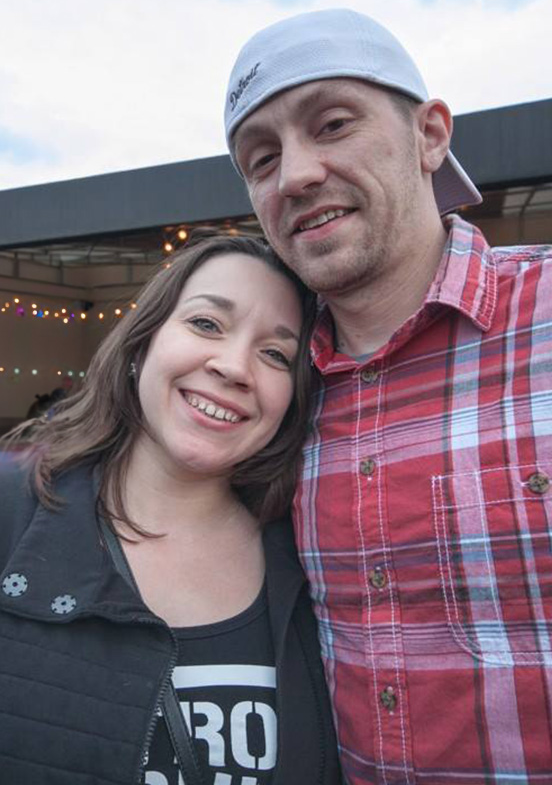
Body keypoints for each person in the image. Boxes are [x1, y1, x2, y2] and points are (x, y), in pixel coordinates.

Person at [224, 8, 552, 785]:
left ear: (430, 135)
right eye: (261, 160)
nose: (293, 174)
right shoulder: (267, 399)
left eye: (331, 124)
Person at [0, 235, 341, 785]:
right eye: (207, 324)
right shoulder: (10, 506)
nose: (233, 367)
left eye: (276, 353)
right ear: (143, 344)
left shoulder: (314, 555)